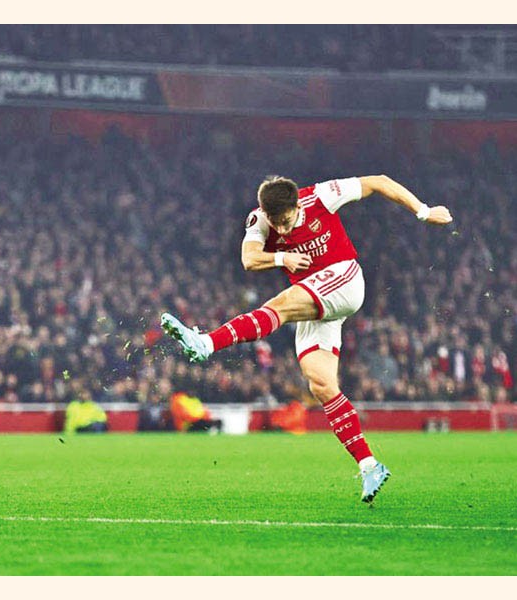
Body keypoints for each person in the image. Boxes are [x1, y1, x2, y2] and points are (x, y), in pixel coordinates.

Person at [161, 174, 452, 503]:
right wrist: (281, 258)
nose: (281, 230)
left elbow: (379, 182)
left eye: (286, 222)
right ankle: (369, 465)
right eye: (275, 223)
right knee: (321, 385)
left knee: (280, 305)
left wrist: (423, 211)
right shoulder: (259, 220)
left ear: (297, 205)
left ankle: (206, 343)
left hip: (344, 280)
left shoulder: (321, 196)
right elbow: (249, 259)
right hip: (316, 299)